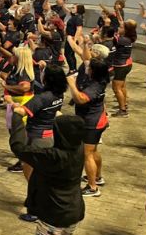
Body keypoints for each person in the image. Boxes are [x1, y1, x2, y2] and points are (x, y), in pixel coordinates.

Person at [8, 112, 88, 235]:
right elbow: (72, 127)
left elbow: (19, 147)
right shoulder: (79, 147)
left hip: (54, 214)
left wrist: (17, 118)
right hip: (74, 209)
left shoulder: (53, 156)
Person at [12, 65, 66, 221]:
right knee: (38, 173)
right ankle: (36, 199)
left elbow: (22, 112)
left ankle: (37, 207)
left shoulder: (42, 98)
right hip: (49, 135)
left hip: (37, 138)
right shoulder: (58, 94)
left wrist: (16, 107)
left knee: (33, 175)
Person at [65, 39, 110, 198]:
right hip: (95, 118)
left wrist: (71, 83)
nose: (87, 66)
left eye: (89, 67)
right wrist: (85, 45)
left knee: (87, 154)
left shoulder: (96, 85)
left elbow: (80, 99)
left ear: (93, 72)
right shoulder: (97, 72)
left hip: (92, 121)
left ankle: (92, 187)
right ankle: (97, 177)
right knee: (93, 150)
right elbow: (86, 59)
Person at [111, 19, 136, 117]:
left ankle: (123, 111)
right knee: (122, 86)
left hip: (121, 66)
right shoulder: (128, 39)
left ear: (126, 30)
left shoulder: (121, 39)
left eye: (121, 27)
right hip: (127, 64)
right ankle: (124, 104)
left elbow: (109, 38)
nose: (118, 28)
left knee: (116, 88)